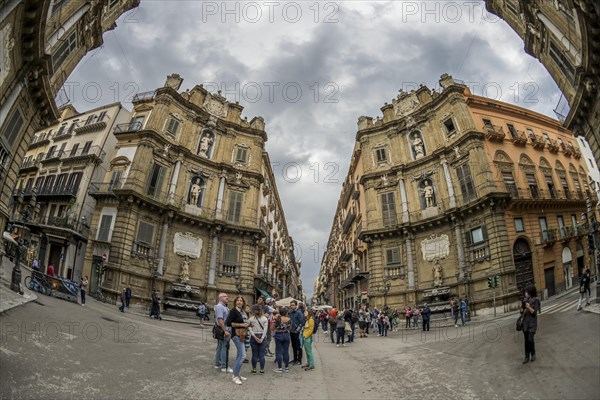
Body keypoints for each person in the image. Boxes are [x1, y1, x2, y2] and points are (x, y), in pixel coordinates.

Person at [225, 296, 250, 385]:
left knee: (240, 355)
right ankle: (235, 376)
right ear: (235, 302)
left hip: (242, 334)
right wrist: (243, 325)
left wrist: (248, 325)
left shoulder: (242, 311)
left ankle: (237, 374)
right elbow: (228, 323)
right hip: (236, 335)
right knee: (242, 355)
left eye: (241, 301)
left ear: (243, 303)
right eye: (238, 301)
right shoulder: (233, 311)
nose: (239, 302)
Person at [521, 285, 540, 364]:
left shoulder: (536, 300)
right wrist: (522, 308)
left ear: (530, 292)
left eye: (527, 292)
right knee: (526, 341)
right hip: (525, 323)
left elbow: (534, 312)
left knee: (530, 339)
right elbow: (522, 312)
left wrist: (528, 307)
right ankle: (526, 356)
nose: (526, 293)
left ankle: (533, 354)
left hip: (532, 323)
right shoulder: (526, 300)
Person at [214, 293, 232, 373]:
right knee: (224, 347)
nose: (227, 297)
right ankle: (224, 366)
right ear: (220, 298)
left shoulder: (224, 306)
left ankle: (218, 364)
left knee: (220, 346)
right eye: (225, 296)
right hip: (224, 330)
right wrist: (225, 331)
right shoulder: (219, 306)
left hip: (223, 329)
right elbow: (220, 320)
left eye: (227, 296)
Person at [248, 304, 268, 374]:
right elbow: (265, 330)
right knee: (262, 354)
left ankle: (254, 369)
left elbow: (249, 328)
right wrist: (262, 338)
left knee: (254, 354)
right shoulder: (265, 319)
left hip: (254, 336)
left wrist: (254, 336)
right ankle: (262, 369)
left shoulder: (251, 319)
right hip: (262, 336)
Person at [272, 307, 292, 373]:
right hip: (286, 335)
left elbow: (272, 327)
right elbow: (290, 328)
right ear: (286, 313)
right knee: (286, 351)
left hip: (278, 335)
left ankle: (280, 368)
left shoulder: (277, 319)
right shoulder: (289, 319)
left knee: (279, 351)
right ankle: (286, 367)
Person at [289, 300, 305, 365]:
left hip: (297, 332)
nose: (291, 306)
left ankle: (299, 360)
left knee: (298, 346)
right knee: (293, 346)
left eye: (293, 305)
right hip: (291, 331)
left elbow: (302, 322)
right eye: (291, 305)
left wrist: (297, 330)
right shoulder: (291, 312)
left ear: (296, 305)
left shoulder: (299, 312)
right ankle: (295, 359)